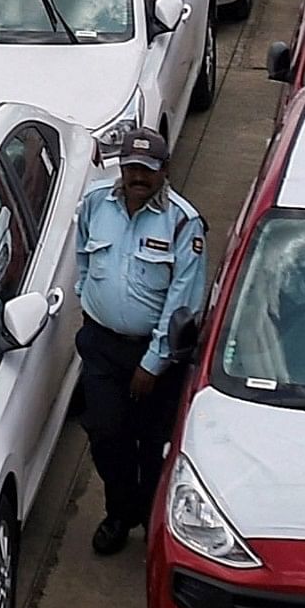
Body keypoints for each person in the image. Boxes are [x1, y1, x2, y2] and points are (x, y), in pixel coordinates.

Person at [71, 120, 210, 556]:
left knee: (153, 448)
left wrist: (153, 362)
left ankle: (151, 520)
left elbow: (183, 301)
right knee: (106, 435)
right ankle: (120, 513)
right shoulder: (96, 205)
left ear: (164, 170)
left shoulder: (183, 223)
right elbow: (80, 257)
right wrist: (88, 297)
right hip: (101, 346)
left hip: (155, 358)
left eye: (147, 169)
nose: (137, 177)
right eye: (131, 167)